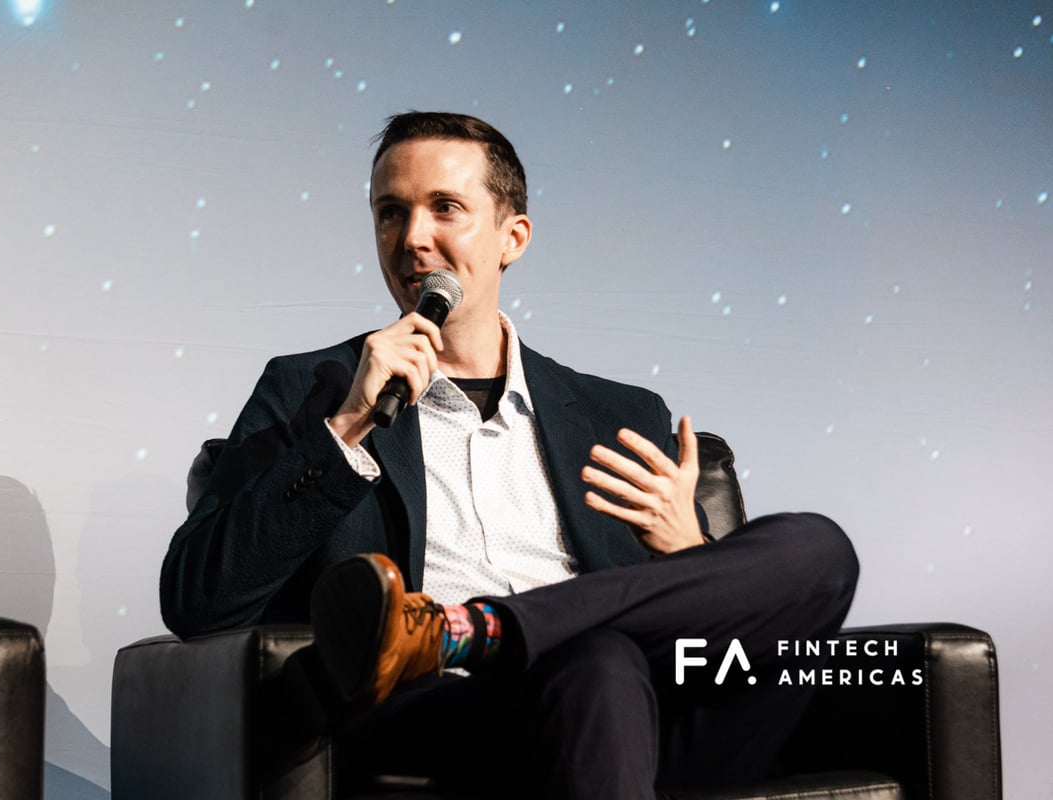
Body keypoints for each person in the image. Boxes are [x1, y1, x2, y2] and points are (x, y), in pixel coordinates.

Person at [160, 111, 859, 799]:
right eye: (390, 213)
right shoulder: (313, 390)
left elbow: (700, 620)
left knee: (821, 550)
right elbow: (197, 601)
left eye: (445, 208)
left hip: (650, 716)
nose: (413, 238)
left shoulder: (622, 415)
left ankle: (472, 629)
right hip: (451, 717)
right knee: (597, 660)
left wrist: (689, 551)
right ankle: (483, 643)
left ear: (512, 237)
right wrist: (347, 427)